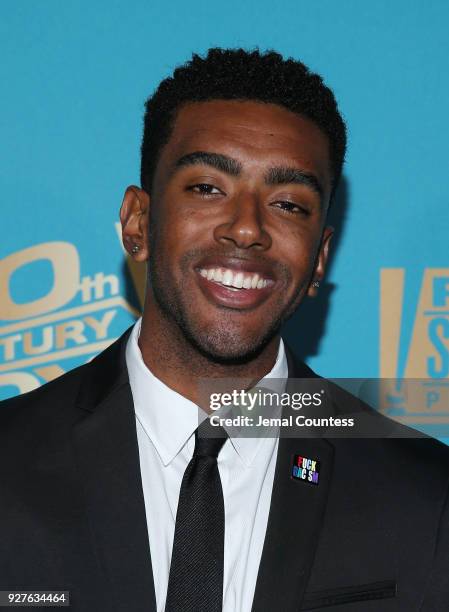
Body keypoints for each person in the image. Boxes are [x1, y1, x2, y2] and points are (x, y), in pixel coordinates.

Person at [0, 48, 448, 612]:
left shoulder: (426, 497)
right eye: (207, 188)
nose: (247, 228)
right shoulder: (9, 465)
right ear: (138, 222)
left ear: (320, 260)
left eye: (289, 204)